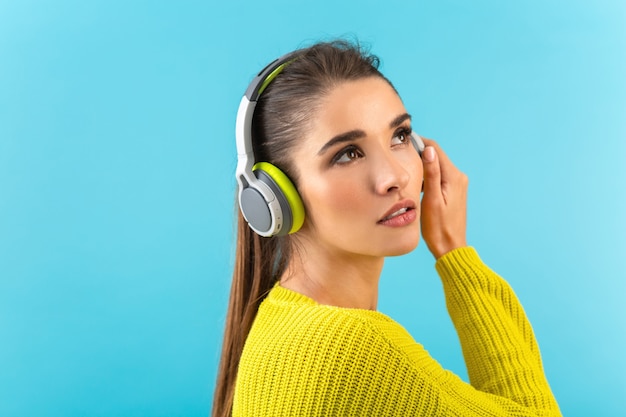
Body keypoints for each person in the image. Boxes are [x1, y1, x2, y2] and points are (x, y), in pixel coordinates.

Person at [212, 40, 561, 417]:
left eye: (399, 136)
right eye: (347, 154)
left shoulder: (283, 323)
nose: (395, 176)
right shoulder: (350, 349)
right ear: (276, 197)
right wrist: (455, 252)